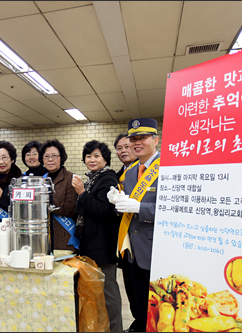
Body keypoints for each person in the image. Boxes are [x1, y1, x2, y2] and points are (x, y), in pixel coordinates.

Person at [107, 118, 161, 332]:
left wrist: (140, 208)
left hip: (155, 249)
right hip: (130, 251)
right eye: (133, 139)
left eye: (143, 138)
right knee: (137, 302)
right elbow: (125, 209)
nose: (137, 143)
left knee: (157, 307)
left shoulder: (169, 169)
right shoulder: (129, 173)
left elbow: (175, 211)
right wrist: (117, 202)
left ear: (155, 140)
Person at [72, 140, 123, 332]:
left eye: (96, 156)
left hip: (103, 245)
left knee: (109, 291)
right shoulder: (93, 178)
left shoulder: (108, 179)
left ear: (105, 159)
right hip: (91, 243)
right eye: (88, 156)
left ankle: (116, 329)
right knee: (97, 292)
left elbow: (103, 211)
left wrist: (82, 193)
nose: (91, 160)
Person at [114, 133, 138, 332]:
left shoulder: (147, 173)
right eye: (119, 148)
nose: (123, 151)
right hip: (124, 240)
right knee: (130, 288)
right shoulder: (118, 174)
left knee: (143, 291)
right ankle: (137, 323)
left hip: (143, 241)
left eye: (127, 146)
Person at [39, 139, 78, 252]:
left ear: (61, 158)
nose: (50, 159)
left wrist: (45, 203)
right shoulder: (41, 180)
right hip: (43, 237)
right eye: (46, 156)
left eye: (54, 156)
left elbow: (70, 208)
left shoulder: (71, 178)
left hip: (64, 236)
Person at [0, 140, 22, 242]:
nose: (1, 162)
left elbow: (23, 208)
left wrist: (2, 196)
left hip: (15, 228)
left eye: (4, 158)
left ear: (12, 159)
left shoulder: (20, 179)